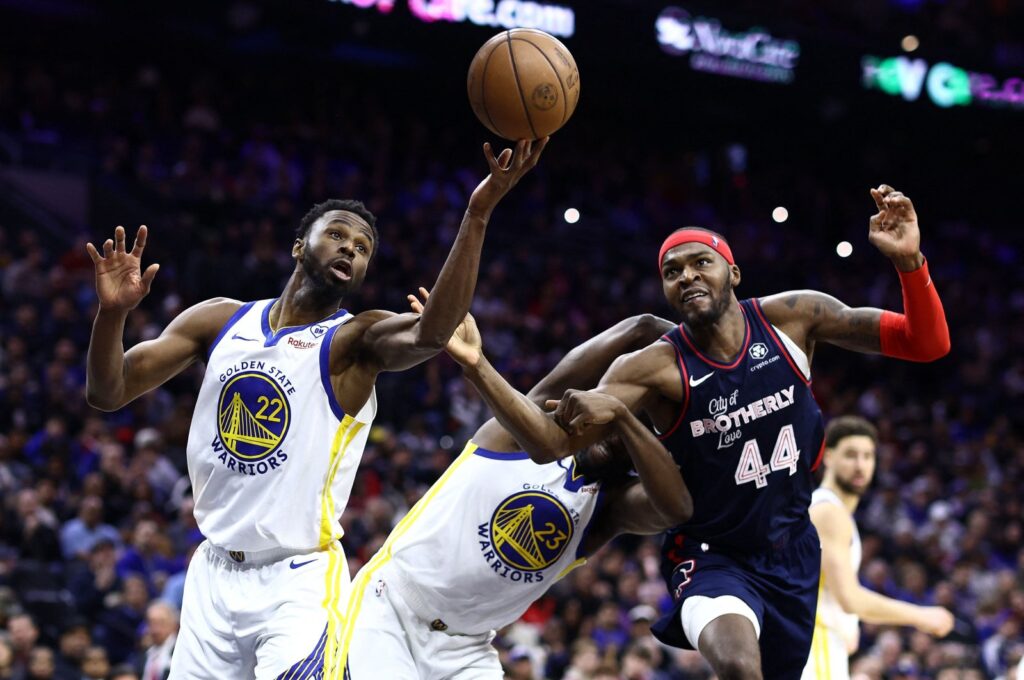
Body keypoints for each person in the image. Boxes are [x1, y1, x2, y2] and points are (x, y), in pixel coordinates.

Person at [84, 138, 547, 679]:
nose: (351, 248)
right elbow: (107, 392)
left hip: (296, 578)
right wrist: (111, 316)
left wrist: (478, 211)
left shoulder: (355, 340)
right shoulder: (218, 320)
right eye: (337, 234)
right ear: (299, 246)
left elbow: (433, 332)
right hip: (212, 568)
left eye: (363, 247)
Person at [460, 185, 950, 678]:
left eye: (700, 263)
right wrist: (480, 367)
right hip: (710, 555)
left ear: (733, 273)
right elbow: (549, 445)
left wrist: (911, 263)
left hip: (793, 553)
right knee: (738, 666)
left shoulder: (795, 317)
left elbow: (925, 343)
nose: (687, 276)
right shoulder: (650, 368)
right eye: (672, 272)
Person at [341, 292, 690, 678]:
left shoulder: (610, 510)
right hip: (390, 605)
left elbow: (675, 507)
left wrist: (630, 416)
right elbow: (637, 328)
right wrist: (688, 347)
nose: (614, 431)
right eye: (611, 413)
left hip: (466, 648)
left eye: (632, 428)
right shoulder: (521, 435)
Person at [802, 416, 954, 678]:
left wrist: (847, 626)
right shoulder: (829, 512)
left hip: (821, 643)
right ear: (827, 457)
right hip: (816, 644)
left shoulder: (832, 511)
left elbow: (825, 589)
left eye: (868, 456)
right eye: (850, 455)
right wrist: (922, 616)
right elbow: (850, 598)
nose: (860, 465)